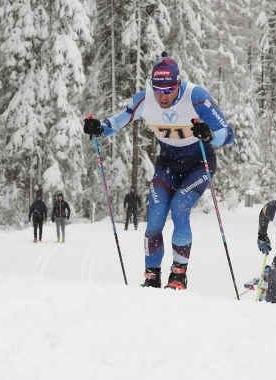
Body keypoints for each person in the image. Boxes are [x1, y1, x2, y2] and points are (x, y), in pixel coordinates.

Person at [83, 52, 235, 290]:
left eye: (168, 90)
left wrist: (210, 134)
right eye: (158, 90)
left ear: (177, 85)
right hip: (168, 163)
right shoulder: (145, 100)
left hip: (199, 164)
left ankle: (178, 275)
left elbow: (228, 134)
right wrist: (99, 128)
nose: (162, 96)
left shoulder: (196, 97)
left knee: (179, 208)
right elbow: (117, 121)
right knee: (154, 220)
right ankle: (151, 276)